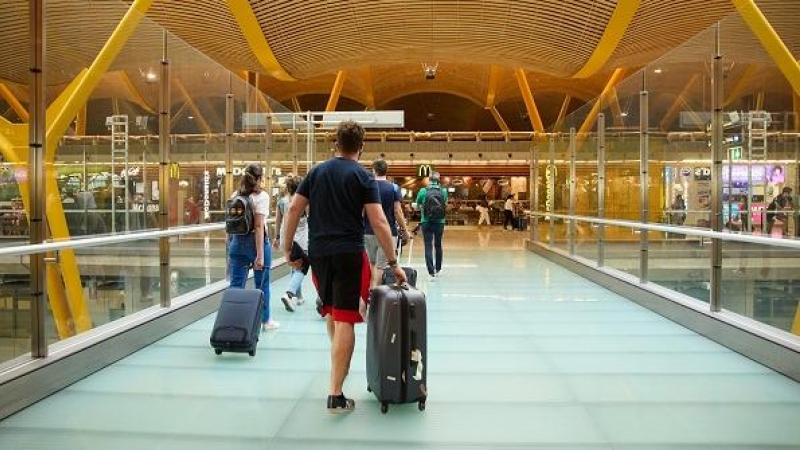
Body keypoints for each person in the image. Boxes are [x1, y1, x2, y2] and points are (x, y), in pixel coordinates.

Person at [281, 120, 406, 413]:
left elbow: (294, 208)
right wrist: (393, 262)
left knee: (334, 313)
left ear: (336, 143)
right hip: (349, 254)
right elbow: (379, 222)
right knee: (347, 319)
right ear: (360, 148)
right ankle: (336, 395)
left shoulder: (316, 172)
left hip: (319, 255)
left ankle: (337, 365)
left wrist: (287, 248)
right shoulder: (362, 177)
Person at [227, 163, 278, 331]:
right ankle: (265, 321)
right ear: (260, 178)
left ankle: (232, 322)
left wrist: (232, 245)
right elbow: (258, 227)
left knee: (236, 286)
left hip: (237, 244)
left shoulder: (236, 195)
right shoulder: (262, 196)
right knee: (262, 285)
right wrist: (260, 255)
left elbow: (232, 225)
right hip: (256, 245)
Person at [365, 158, 410, 287]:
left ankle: (369, 295)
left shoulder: (367, 187)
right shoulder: (394, 188)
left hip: (368, 232)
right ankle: (375, 295)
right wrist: (405, 231)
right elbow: (397, 211)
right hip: (388, 232)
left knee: (372, 264)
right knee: (381, 266)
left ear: (373, 170)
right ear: (386, 171)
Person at [274, 176, 309, 312]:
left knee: (295, 265)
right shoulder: (303, 202)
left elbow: (278, 221)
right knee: (302, 267)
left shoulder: (281, 202)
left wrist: (276, 237)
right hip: (300, 239)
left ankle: (298, 296)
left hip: (285, 237)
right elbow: (310, 219)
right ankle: (289, 294)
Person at [415, 171, 448, 280]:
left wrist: (422, 208)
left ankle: (431, 272)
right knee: (438, 245)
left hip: (426, 221)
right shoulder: (443, 191)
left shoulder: (423, 191)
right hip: (440, 221)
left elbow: (417, 204)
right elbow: (445, 205)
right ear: (439, 180)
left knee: (428, 245)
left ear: (429, 180)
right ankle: (438, 269)